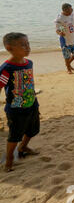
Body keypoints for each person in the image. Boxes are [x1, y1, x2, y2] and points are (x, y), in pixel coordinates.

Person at [0, 33, 40, 172]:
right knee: (14, 135)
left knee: (33, 129)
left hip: (32, 103)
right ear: (9, 48)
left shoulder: (29, 63)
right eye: (23, 45)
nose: (28, 47)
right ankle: (10, 158)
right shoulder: (7, 68)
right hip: (16, 109)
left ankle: (23, 147)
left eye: (28, 43)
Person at [55, 3, 74, 73]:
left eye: (72, 8)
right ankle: (68, 69)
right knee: (67, 55)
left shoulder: (71, 15)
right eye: (70, 9)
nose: (72, 9)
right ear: (65, 10)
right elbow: (58, 30)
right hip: (65, 40)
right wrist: (60, 32)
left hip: (73, 38)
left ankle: (68, 64)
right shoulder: (60, 18)